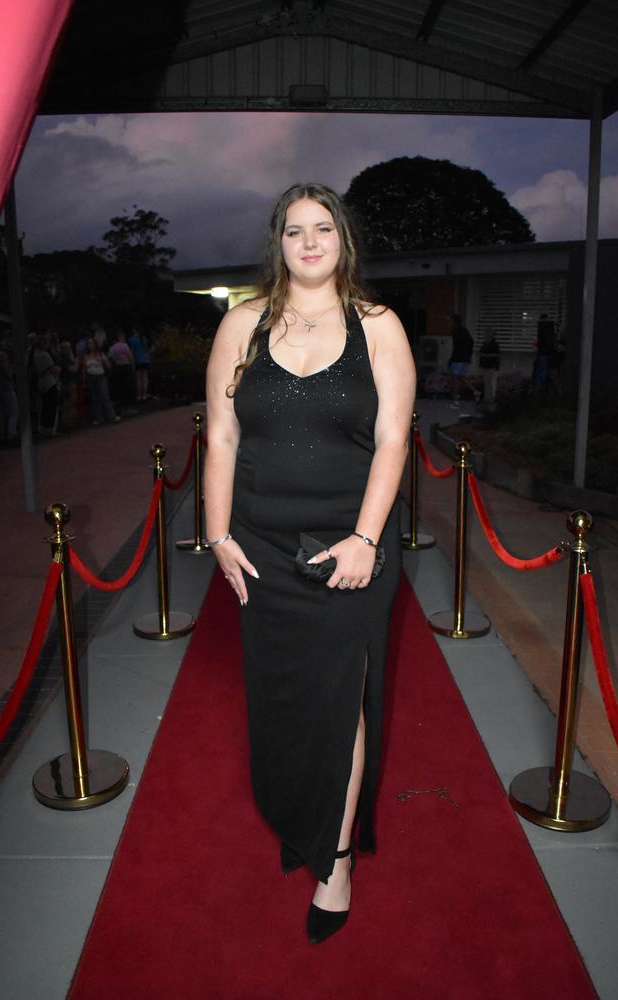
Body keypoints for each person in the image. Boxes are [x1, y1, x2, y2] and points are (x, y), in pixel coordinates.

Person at [204, 183, 415, 945]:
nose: (310, 242)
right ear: (279, 244)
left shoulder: (379, 327)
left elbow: (394, 440)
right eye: (295, 231)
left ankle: (336, 861)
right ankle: (301, 815)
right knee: (285, 704)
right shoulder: (241, 325)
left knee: (339, 703)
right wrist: (217, 535)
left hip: (350, 551)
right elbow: (222, 437)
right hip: (259, 550)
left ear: (342, 239)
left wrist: (365, 538)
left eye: (323, 228)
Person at [79, 337, 120, 425]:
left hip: (101, 376)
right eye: (89, 343)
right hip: (91, 377)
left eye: (92, 343)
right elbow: (84, 369)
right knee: (95, 398)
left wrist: (104, 360)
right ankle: (98, 418)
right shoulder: (86, 356)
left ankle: (111, 416)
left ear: (95, 344)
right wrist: (83, 381)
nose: (91, 345)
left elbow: (109, 367)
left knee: (104, 396)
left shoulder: (101, 354)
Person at [448, 314, 475, 407]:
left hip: (458, 359)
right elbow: (471, 342)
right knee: (460, 377)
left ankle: (455, 401)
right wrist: (469, 356)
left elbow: (456, 348)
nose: (449, 323)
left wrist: (452, 360)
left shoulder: (456, 332)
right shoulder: (464, 331)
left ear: (454, 322)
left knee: (455, 379)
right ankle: (476, 391)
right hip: (463, 358)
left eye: (450, 321)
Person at [108, 330, 137, 413]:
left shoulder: (113, 347)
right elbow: (130, 356)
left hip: (118, 367)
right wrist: (132, 366)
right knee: (128, 386)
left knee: (120, 387)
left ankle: (121, 406)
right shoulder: (125, 345)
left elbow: (111, 357)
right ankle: (128, 406)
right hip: (126, 367)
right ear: (121, 338)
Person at [534, 313, 555, 395]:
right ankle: (540, 393)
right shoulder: (547, 328)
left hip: (543, 355)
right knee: (544, 375)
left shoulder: (541, 329)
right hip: (545, 355)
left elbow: (536, 347)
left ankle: (541, 393)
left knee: (543, 375)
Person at [478, 329, 500, 405]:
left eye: (486, 333)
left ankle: (490, 398)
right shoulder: (485, 343)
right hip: (485, 365)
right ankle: (487, 398)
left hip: (491, 366)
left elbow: (496, 354)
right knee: (486, 382)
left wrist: (486, 355)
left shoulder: (494, 344)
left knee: (490, 383)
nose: (485, 335)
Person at [128, 328, 151, 400]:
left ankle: (139, 395)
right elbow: (147, 350)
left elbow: (132, 351)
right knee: (145, 378)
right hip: (145, 360)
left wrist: (132, 362)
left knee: (138, 379)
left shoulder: (132, 339)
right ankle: (144, 395)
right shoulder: (144, 338)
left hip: (137, 361)